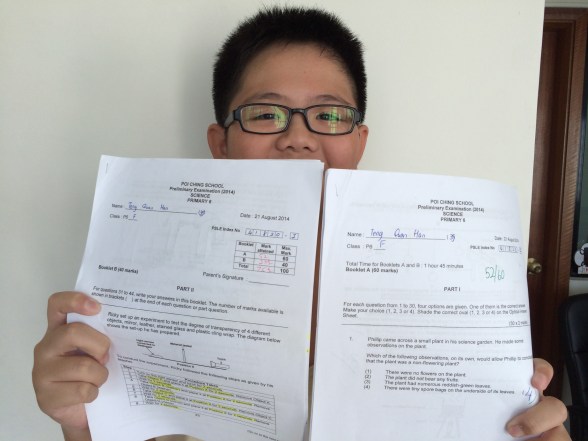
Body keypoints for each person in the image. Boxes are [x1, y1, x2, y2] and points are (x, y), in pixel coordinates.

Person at [32, 6, 569, 441]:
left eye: (329, 115)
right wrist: (83, 426)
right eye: (266, 114)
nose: (298, 138)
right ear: (221, 145)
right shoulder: (140, 291)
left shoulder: (444, 289)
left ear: (359, 142)